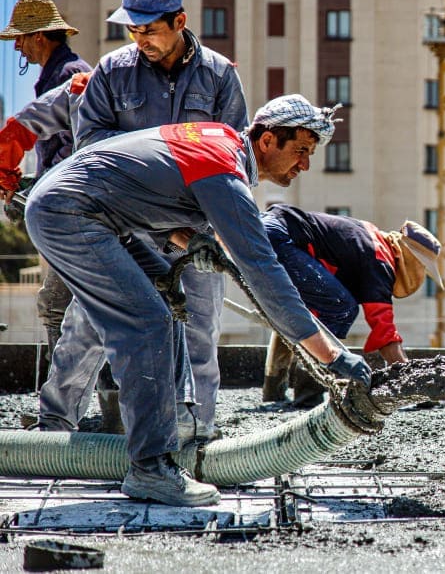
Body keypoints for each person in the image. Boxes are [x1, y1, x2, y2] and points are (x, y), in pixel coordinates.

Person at [24, 94, 371, 507]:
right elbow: (264, 272)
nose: (305, 164)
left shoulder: (218, 141)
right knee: (145, 323)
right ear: (266, 141)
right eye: (300, 150)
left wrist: (187, 239)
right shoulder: (223, 168)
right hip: (70, 214)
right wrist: (331, 355)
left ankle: (169, 440)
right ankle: (150, 468)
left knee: (167, 302)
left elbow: (138, 190)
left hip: (84, 209)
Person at [46, 0, 248, 440]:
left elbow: (234, 152)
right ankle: (51, 432)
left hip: (193, 235)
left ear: (179, 21)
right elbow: (91, 146)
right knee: (89, 324)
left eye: (149, 30)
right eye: (132, 31)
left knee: (198, 334)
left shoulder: (219, 76)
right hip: (126, 229)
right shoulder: (112, 72)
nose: (140, 41)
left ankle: (196, 438)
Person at [258, 205, 444, 405]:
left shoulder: (371, 236)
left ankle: (273, 392)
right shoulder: (380, 260)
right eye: (422, 265)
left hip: (267, 228)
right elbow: (385, 334)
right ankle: (308, 394)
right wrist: (413, 385)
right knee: (340, 307)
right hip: (280, 237)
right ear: (408, 256)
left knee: (299, 312)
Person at [0, 0, 91, 365]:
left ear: (41, 36)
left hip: (73, 210)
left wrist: (39, 189)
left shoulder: (69, 75)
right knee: (73, 308)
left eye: (21, 37)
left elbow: (74, 151)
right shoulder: (56, 73)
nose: (17, 46)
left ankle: (64, 409)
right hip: (71, 203)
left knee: (56, 305)